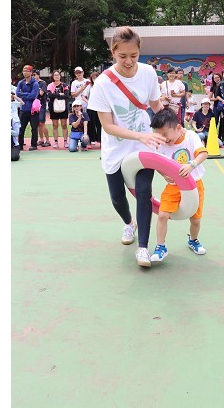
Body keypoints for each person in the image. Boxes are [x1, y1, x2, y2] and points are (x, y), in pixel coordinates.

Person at [86, 26, 167, 268]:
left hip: (144, 145)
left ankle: (143, 248)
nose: (129, 61)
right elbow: (108, 126)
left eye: (134, 55)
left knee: (143, 192)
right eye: (123, 56)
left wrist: (173, 127)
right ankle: (129, 223)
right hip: (116, 148)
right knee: (117, 197)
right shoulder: (102, 83)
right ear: (113, 52)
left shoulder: (148, 73)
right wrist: (139, 136)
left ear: (139, 51)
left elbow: (155, 104)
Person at [149, 109, 208, 262]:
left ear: (178, 128)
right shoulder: (161, 144)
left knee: (195, 220)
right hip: (174, 187)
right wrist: (164, 175)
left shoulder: (190, 136)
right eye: (159, 135)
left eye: (165, 134)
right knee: (162, 215)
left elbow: (203, 153)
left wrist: (191, 165)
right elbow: (157, 163)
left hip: (194, 186)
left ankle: (193, 240)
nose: (163, 139)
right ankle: (160, 246)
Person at [16, 65, 40, 151]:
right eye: (24, 71)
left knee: (34, 128)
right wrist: (27, 95)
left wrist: (23, 95)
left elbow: (33, 96)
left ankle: (34, 145)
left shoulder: (35, 83)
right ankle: (20, 144)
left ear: (31, 72)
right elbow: (17, 94)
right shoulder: (21, 82)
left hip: (33, 110)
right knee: (21, 128)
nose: (25, 72)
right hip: (23, 109)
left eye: (27, 71)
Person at [47, 70, 70, 148]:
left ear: (60, 76)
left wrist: (55, 94)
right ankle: (56, 142)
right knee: (55, 125)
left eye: (58, 75)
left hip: (63, 107)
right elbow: (49, 95)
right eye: (55, 75)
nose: (56, 76)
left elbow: (66, 95)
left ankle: (65, 141)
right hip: (53, 107)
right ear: (53, 76)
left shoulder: (64, 85)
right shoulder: (50, 85)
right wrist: (60, 94)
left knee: (64, 125)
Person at [32, 70, 51, 147]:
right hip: (34, 105)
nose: (33, 76)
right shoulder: (32, 83)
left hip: (41, 105)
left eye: (35, 75)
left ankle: (48, 140)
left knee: (42, 123)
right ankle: (41, 139)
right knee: (38, 123)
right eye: (32, 75)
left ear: (38, 75)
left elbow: (41, 93)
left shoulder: (43, 83)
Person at [85, 71, 102, 146]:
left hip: (100, 108)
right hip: (91, 108)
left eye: (96, 77)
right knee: (90, 124)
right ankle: (90, 140)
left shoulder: (102, 86)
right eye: (93, 78)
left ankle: (101, 141)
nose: (95, 79)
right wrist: (88, 102)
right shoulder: (89, 86)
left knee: (100, 124)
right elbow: (83, 96)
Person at [208, 72, 223, 139]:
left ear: (220, 77)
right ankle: (213, 136)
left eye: (218, 77)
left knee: (223, 122)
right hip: (216, 106)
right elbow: (209, 98)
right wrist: (217, 98)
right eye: (215, 78)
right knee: (215, 121)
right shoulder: (213, 87)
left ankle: (220, 137)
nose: (216, 79)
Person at [11, 87, 23, 161]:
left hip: (15, 120)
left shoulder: (15, 103)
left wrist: (15, 96)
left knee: (14, 157)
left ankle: (15, 148)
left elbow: (22, 103)